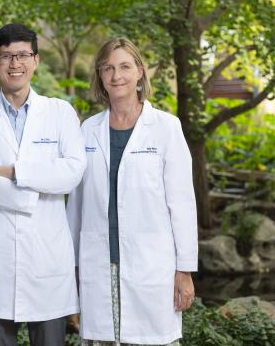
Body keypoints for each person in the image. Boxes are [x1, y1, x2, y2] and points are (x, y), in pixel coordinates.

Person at [0, 23, 87, 346]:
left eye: (23, 55)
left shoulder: (61, 113)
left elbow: (71, 173)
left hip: (47, 256)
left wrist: (16, 172)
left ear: (36, 60)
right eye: (6, 56)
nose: (15, 63)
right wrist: (40, 189)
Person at [66, 37, 198, 346]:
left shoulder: (166, 127)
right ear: (100, 75)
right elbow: (77, 205)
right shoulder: (87, 130)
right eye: (108, 68)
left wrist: (185, 270)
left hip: (152, 265)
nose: (116, 76)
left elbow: (182, 203)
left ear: (139, 72)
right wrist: (69, 265)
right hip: (99, 263)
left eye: (125, 66)